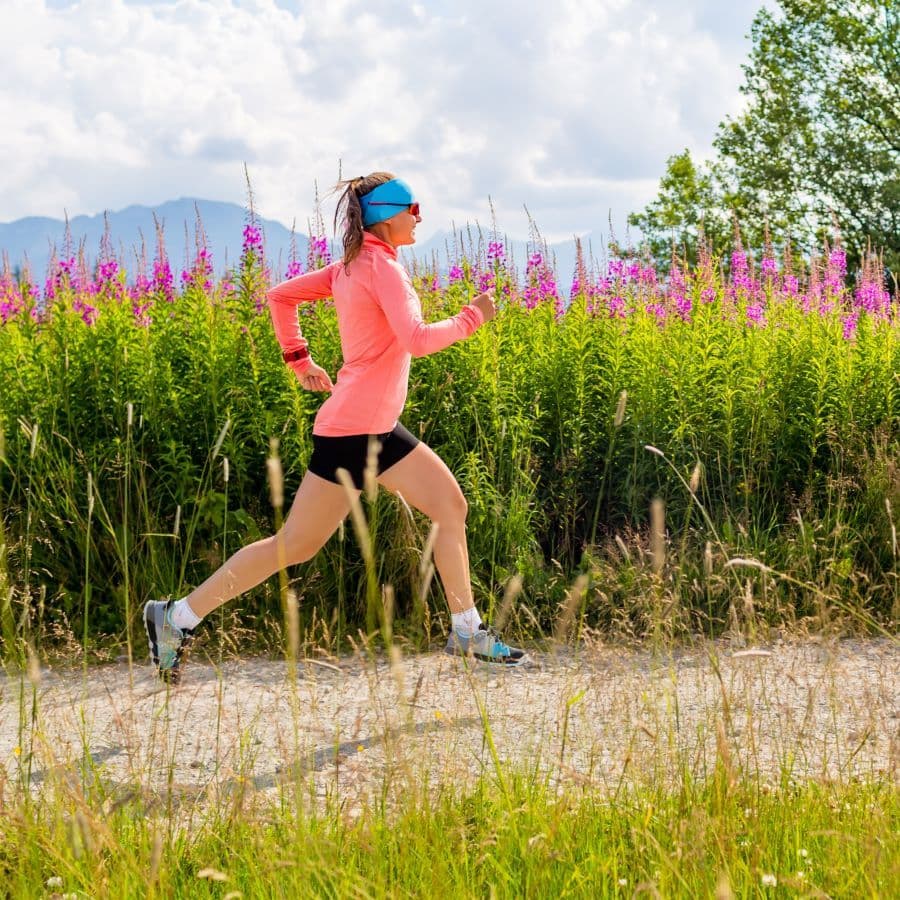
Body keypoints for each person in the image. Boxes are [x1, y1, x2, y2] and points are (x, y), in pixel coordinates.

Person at [143, 171, 527, 683]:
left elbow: (280, 296)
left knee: (449, 506)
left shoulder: (353, 265)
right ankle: (176, 617)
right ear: (387, 214)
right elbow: (415, 339)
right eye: (412, 208)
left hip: (377, 428)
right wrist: (471, 318)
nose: (419, 217)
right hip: (352, 433)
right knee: (294, 545)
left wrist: (299, 358)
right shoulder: (379, 268)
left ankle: (465, 630)